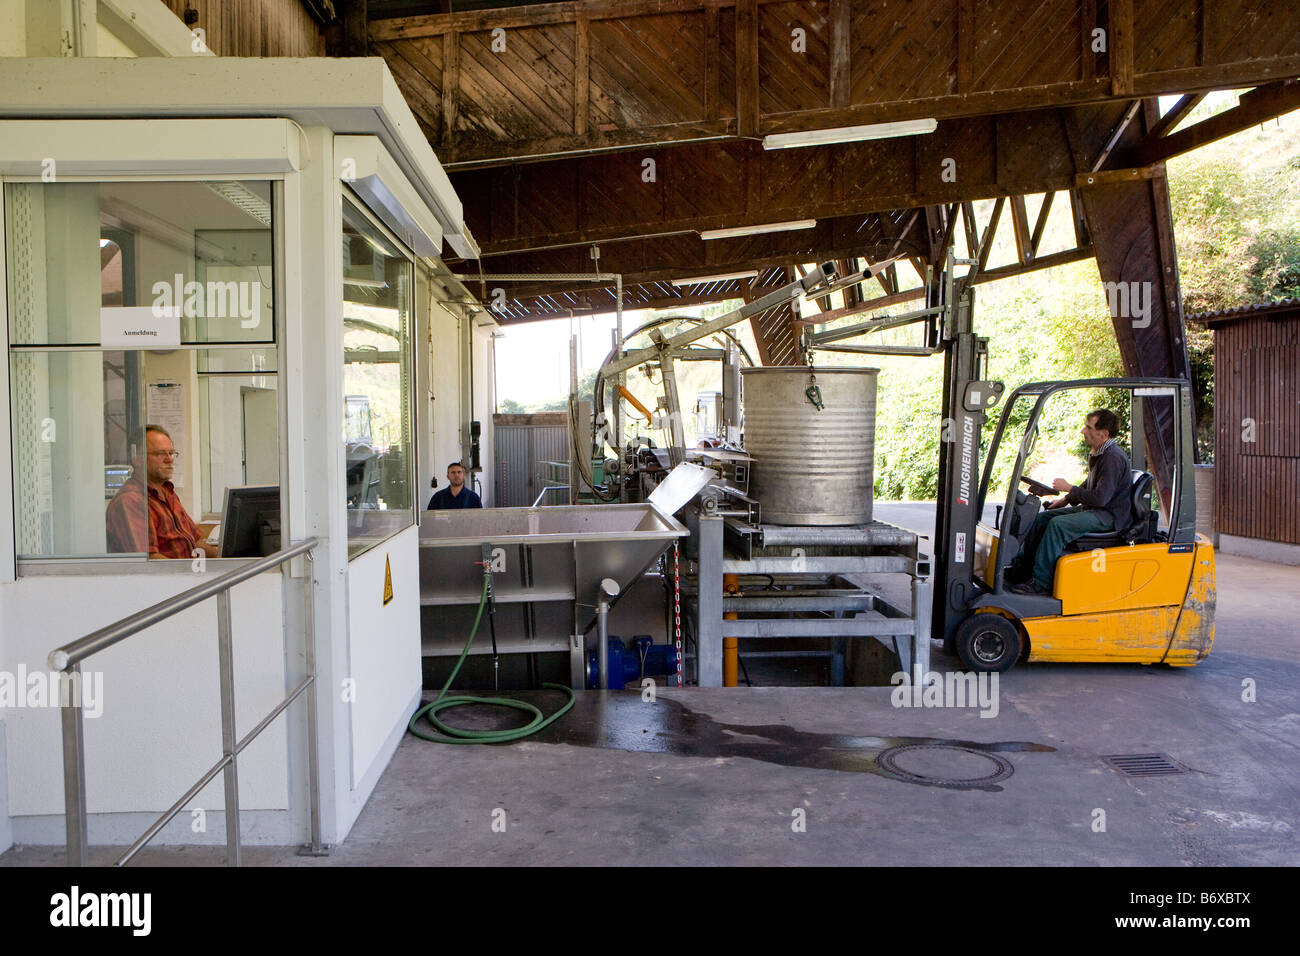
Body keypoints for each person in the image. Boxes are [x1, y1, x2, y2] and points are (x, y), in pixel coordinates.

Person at [1010, 409, 1130, 595]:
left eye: (1088, 428)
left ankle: (1041, 583)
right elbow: (1091, 484)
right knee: (1042, 519)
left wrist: (1069, 488)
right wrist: (1066, 499)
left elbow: (1101, 497)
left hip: (1109, 515)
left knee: (1058, 526)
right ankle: (1022, 571)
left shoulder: (1112, 457)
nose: (1083, 431)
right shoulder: (1101, 452)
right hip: (1097, 509)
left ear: (1104, 434)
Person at [106, 425, 219, 559]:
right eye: (160, 454)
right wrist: (190, 574)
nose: (169, 459)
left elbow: (195, 542)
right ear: (137, 459)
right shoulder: (130, 501)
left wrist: (227, 559)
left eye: (171, 453)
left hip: (190, 573)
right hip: (173, 577)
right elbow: (150, 561)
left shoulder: (167, 492)